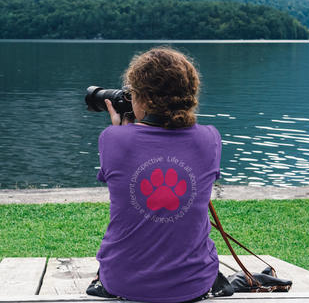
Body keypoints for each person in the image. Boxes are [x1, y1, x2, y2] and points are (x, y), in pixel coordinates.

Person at [86, 47, 230, 302]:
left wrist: (123, 131)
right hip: (193, 284)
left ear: (142, 98)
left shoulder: (112, 138)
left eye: (131, 93)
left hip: (122, 281)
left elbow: (127, 161)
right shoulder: (210, 138)